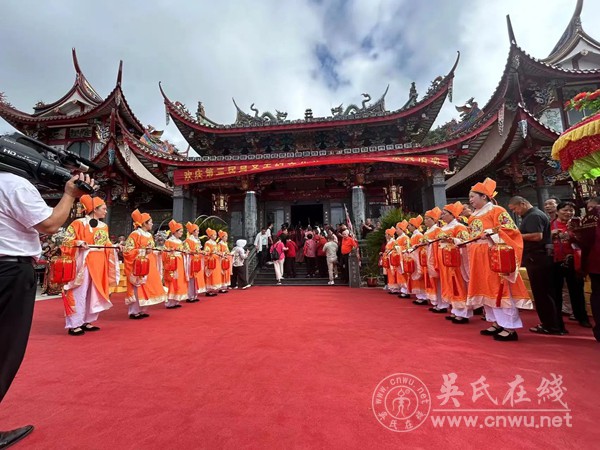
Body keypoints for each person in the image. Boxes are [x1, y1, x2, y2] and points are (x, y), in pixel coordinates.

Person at [0, 171, 93, 447]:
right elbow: (51, 224)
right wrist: (69, 194)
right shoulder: (12, 184)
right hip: (9, 270)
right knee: (5, 347)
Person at [467, 178, 532, 341]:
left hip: (493, 254)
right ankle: (495, 322)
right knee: (484, 287)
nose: (470, 200)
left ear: (484, 197)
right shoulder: (473, 216)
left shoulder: (496, 210)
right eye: (470, 198)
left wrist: (492, 233)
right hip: (478, 255)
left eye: (473, 197)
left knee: (500, 287)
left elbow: (510, 231)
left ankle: (509, 326)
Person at [62, 195, 119, 335]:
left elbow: (105, 243)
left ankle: (87, 320)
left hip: (99, 262)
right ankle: (74, 323)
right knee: (79, 292)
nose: (106, 211)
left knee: (94, 291)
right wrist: (78, 243)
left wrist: (114, 247)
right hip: (84, 261)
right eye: (104, 209)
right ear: (95, 209)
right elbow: (66, 240)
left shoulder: (104, 226)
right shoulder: (78, 223)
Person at [508, 196, 563, 335]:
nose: (516, 212)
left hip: (538, 259)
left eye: (515, 209)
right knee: (546, 293)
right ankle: (554, 324)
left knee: (543, 293)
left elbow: (537, 236)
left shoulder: (534, 216)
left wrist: (514, 235)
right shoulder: (532, 215)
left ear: (523, 203)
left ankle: (550, 325)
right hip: (537, 259)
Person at [550, 201, 591, 330]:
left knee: (577, 290)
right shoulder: (550, 224)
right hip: (555, 261)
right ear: (557, 212)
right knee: (556, 291)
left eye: (571, 211)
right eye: (565, 210)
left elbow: (586, 239)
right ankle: (556, 319)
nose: (568, 213)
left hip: (574, 260)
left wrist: (572, 235)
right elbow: (542, 239)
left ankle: (581, 317)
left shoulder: (577, 224)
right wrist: (551, 235)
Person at [122, 210, 167, 319]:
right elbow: (128, 251)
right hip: (138, 264)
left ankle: (142, 309)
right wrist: (142, 251)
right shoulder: (135, 234)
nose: (152, 224)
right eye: (150, 222)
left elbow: (151, 250)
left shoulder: (149, 235)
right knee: (137, 287)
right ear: (144, 223)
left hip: (148, 264)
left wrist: (156, 252)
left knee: (146, 286)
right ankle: (134, 311)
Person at [570, 196, 600, 342]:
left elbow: (584, 242)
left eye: (591, 208)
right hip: (595, 263)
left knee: (597, 296)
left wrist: (573, 234)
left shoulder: (591, 220)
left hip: (596, 264)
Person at [438, 203, 471, 323]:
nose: (442, 216)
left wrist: (452, 240)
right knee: (450, 283)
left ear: (452, 215)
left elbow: (466, 242)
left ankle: (463, 313)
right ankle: (455, 310)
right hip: (446, 259)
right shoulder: (443, 228)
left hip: (456, 260)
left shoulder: (459, 227)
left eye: (445, 213)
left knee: (458, 283)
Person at [163, 220, 188, 308]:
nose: (181, 233)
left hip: (180, 263)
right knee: (172, 280)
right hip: (172, 263)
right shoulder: (168, 241)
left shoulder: (180, 242)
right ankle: (170, 302)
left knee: (179, 280)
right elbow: (164, 253)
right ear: (175, 232)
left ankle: (176, 300)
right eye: (180, 231)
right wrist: (171, 253)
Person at [184, 222, 206, 302]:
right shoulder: (188, 240)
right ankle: (190, 296)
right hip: (191, 260)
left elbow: (199, 250)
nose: (198, 232)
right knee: (191, 278)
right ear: (192, 231)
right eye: (197, 231)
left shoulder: (197, 240)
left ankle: (194, 295)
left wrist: (201, 252)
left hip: (197, 260)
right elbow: (187, 250)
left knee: (195, 278)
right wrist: (195, 251)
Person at [203, 228, 221, 296]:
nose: (215, 236)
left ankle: (213, 289)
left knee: (215, 275)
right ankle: (209, 290)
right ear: (210, 235)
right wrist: (212, 252)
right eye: (214, 235)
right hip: (211, 260)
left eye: (216, 235)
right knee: (211, 275)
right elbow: (206, 252)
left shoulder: (215, 243)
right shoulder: (208, 243)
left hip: (216, 260)